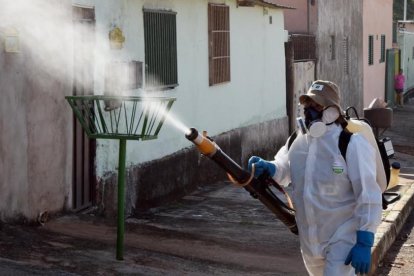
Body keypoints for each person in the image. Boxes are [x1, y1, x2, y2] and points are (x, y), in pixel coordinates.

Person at [248, 80, 383, 276]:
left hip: (343, 237)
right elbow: (284, 169)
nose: (310, 111)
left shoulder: (351, 144)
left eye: (317, 106)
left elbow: (369, 193)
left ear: (332, 110)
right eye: (307, 105)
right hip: (310, 240)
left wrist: (364, 240)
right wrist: (269, 167)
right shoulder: (297, 141)